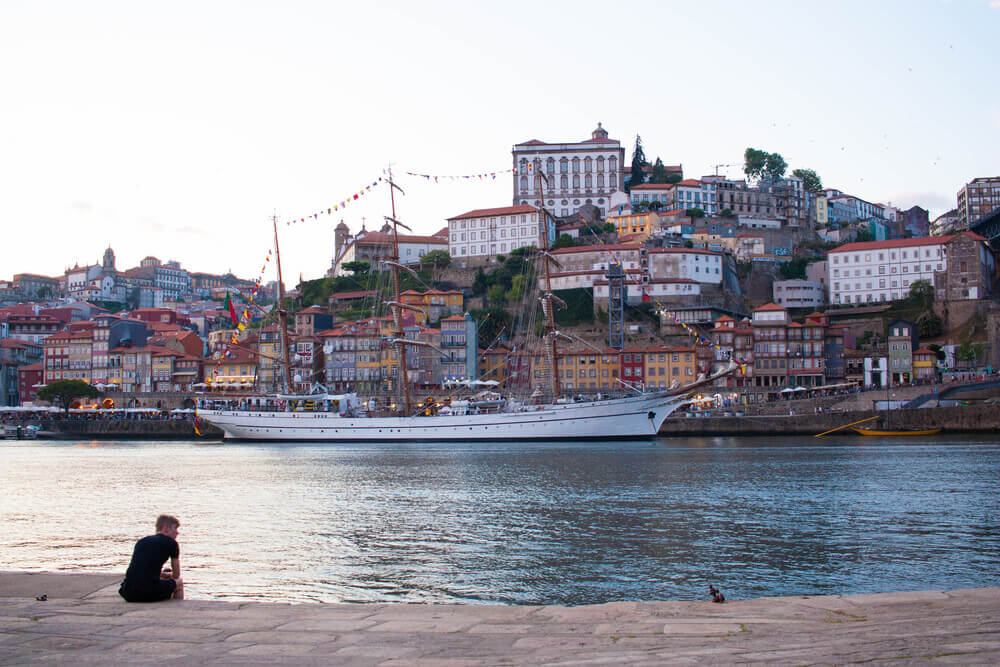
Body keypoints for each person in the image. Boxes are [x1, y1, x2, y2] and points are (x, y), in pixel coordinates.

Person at [119, 514, 184, 602]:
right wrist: (172, 576)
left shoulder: (142, 541)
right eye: (175, 528)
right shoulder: (172, 543)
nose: (177, 532)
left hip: (128, 593)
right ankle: (178, 608)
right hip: (148, 593)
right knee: (178, 582)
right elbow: (176, 575)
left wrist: (160, 574)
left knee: (164, 576)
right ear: (166, 529)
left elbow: (141, 566)